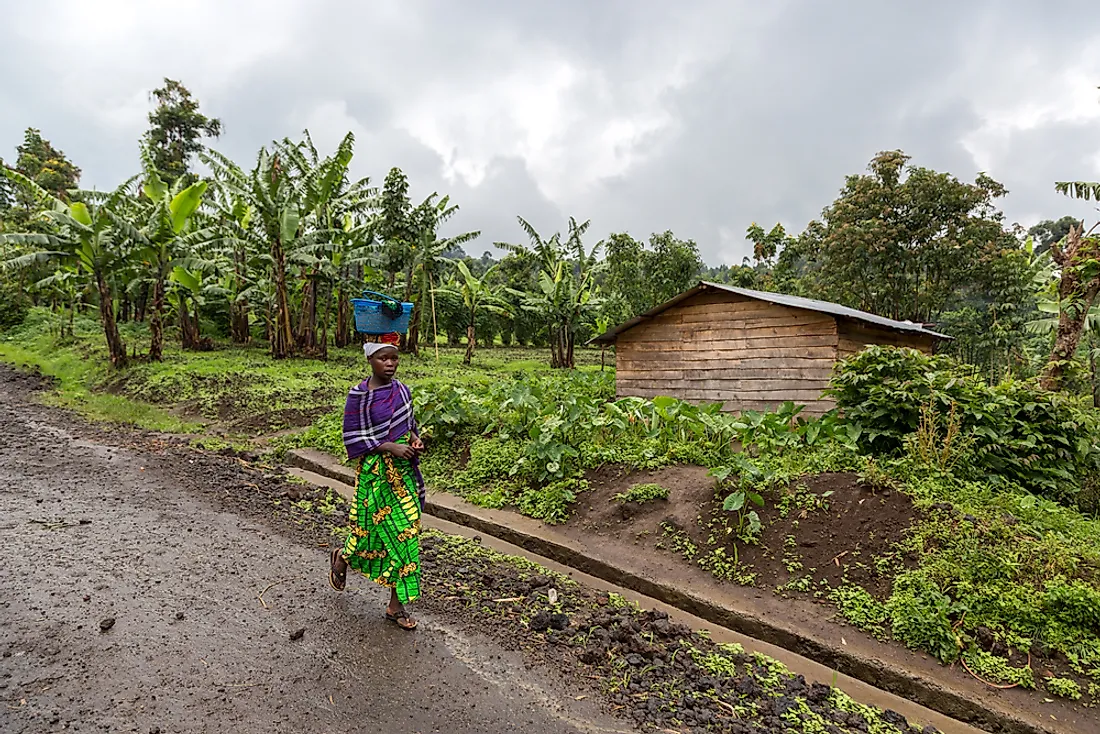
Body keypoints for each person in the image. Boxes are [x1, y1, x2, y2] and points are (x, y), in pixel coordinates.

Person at [329, 335, 426, 631]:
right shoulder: (358, 396)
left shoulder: (402, 391)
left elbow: (408, 426)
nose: (390, 364)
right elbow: (353, 436)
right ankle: (343, 557)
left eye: (394, 358)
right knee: (368, 530)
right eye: (383, 358)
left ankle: (395, 606)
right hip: (374, 474)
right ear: (370, 360)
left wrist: (413, 440)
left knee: (406, 531)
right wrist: (388, 446)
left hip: (402, 474)